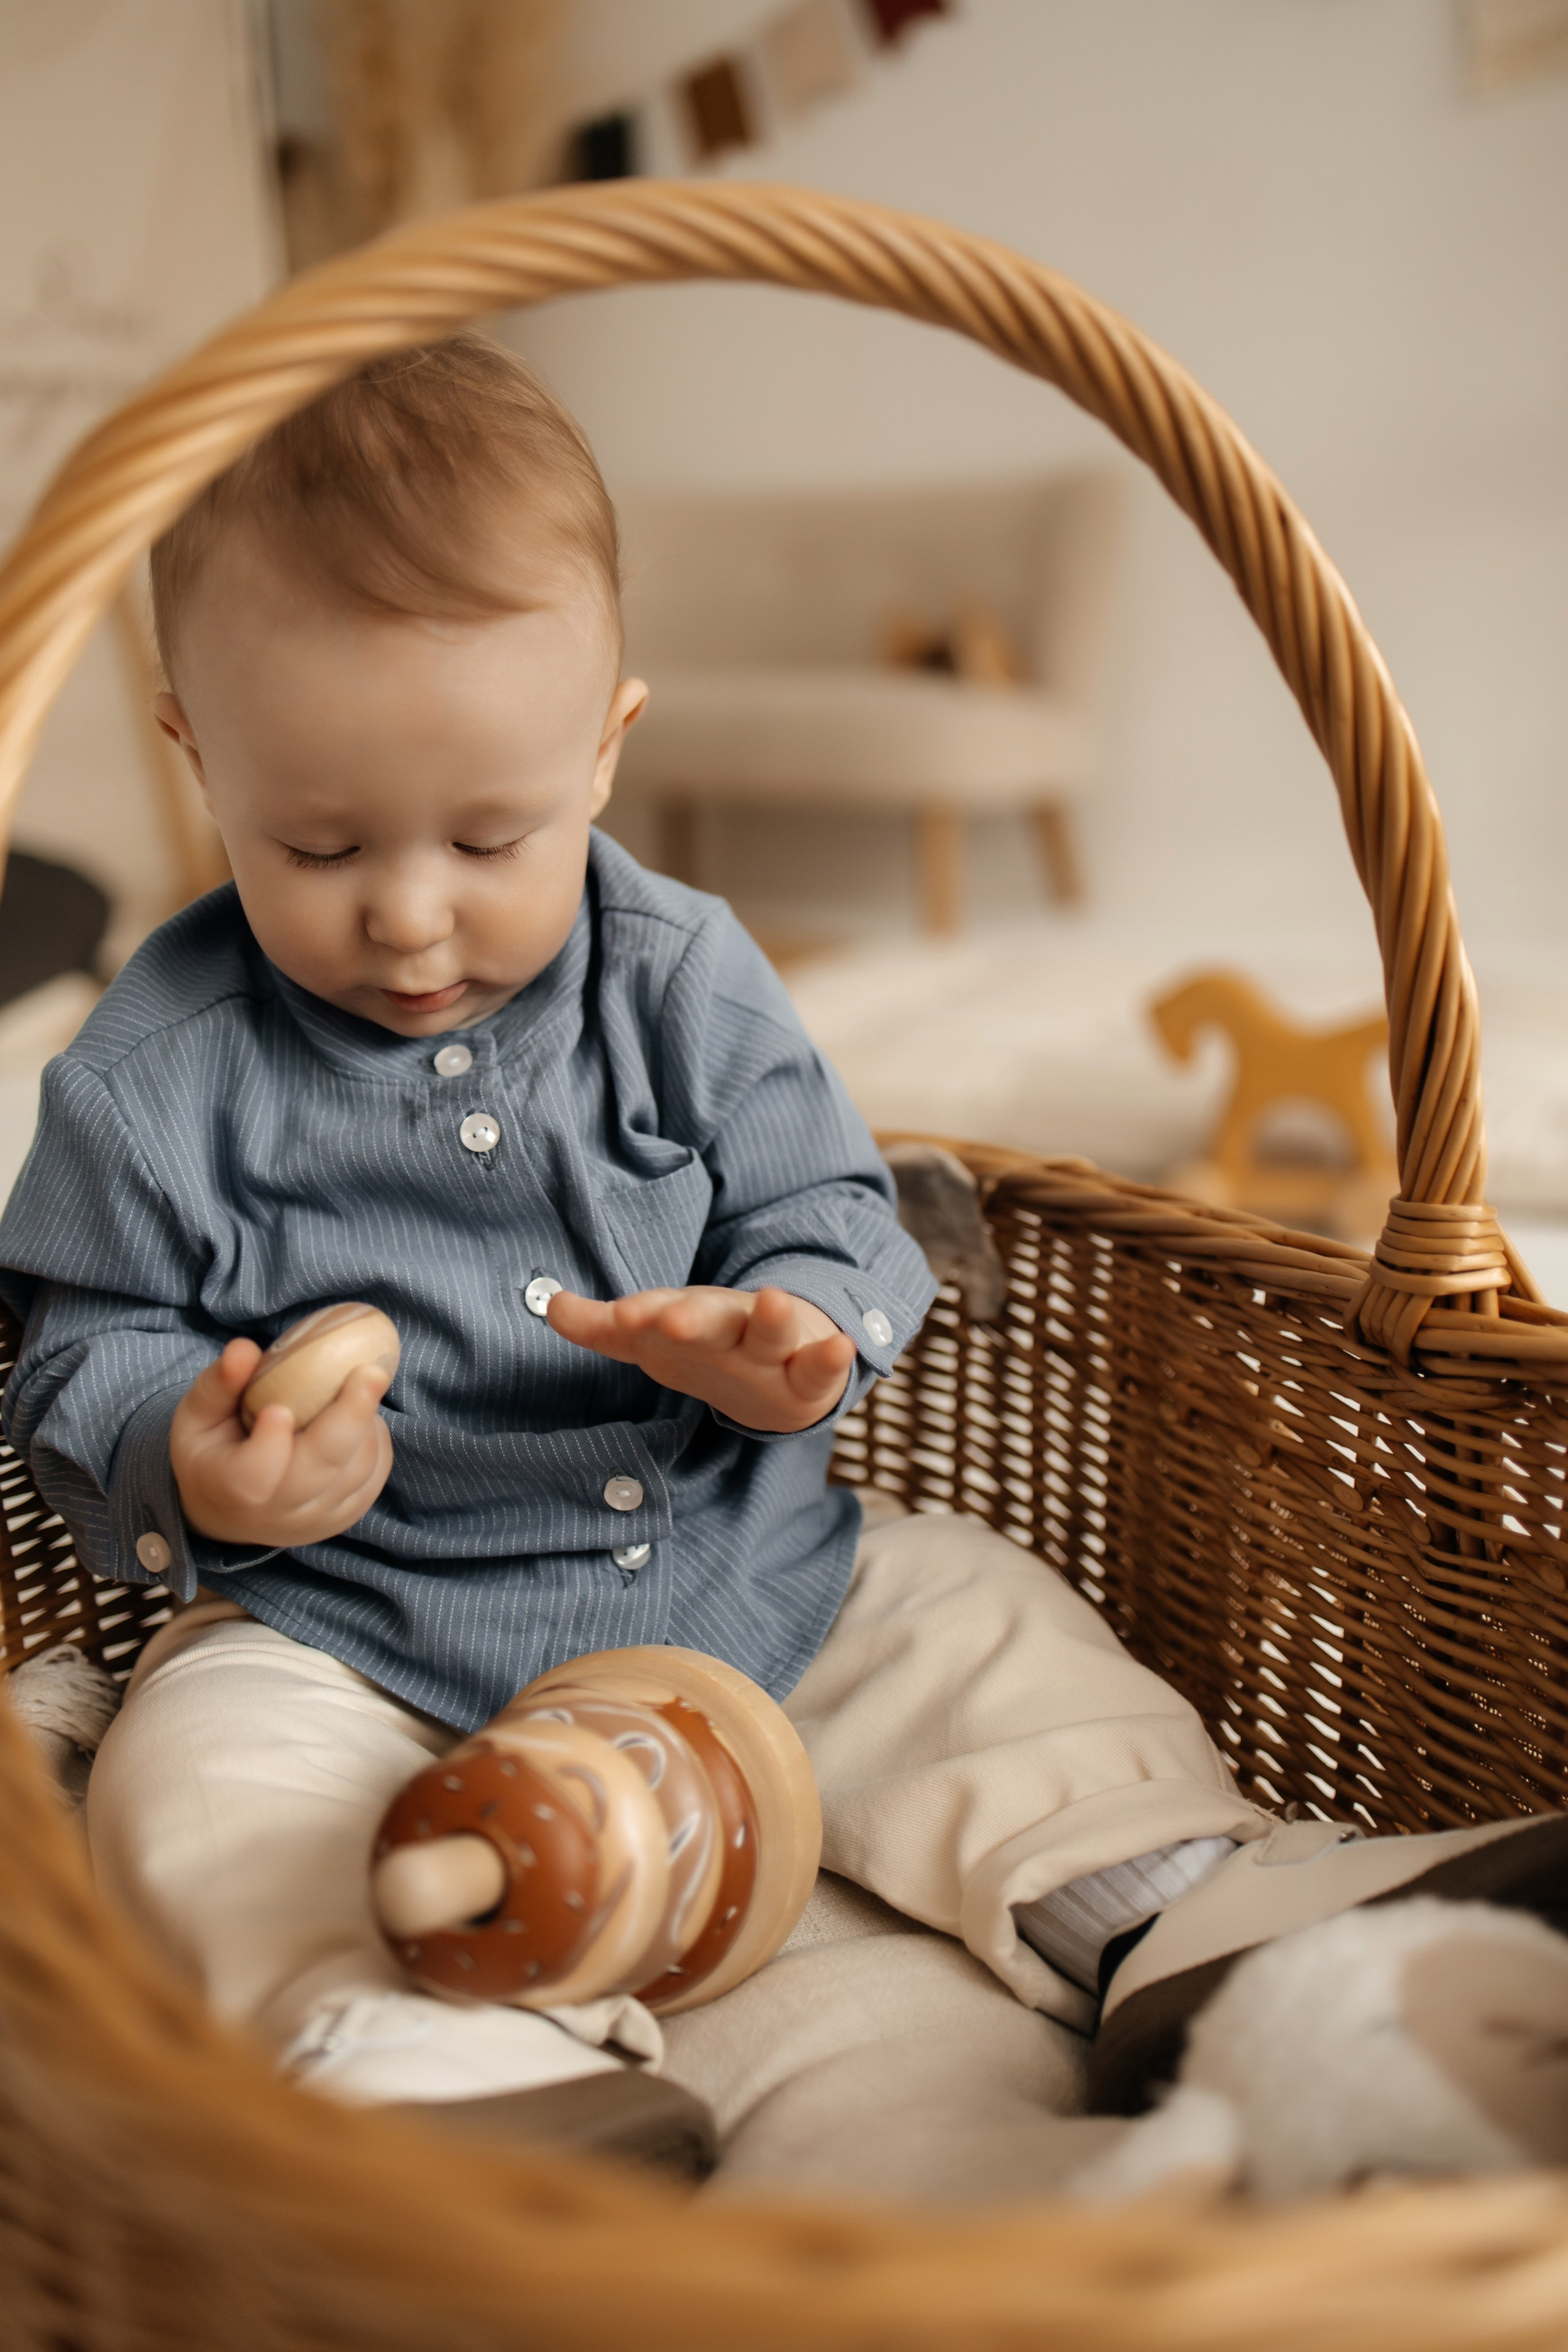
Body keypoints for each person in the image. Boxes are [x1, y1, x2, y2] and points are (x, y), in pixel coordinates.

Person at [2, 340, 1561, 2172]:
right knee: (203, 1786)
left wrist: (798, 1331)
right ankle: (428, 2068)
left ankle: (1181, 1907)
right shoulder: (146, 1076)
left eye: (495, 835)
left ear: (607, 746)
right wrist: (197, 1444)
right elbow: (72, 1345)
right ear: (196, 753)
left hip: (756, 1578)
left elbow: (832, 1205)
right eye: (318, 840)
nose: (412, 914)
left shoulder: (680, 969)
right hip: (358, 1642)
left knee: (983, 1627)